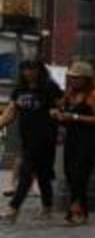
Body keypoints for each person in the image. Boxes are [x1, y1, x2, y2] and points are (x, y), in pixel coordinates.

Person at [0, 60, 62, 223]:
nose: (28, 73)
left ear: (39, 70)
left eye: (31, 69)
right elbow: (10, 112)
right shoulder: (20, 90)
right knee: (43, 174)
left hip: (46, 136)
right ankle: (47, 208)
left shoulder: (49, 87)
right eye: (24, 69)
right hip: (27, 137)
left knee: (26, 172)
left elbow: (61, 107)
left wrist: (58, 113)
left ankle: (13, 208)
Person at [55, 61, 95, 226]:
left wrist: (75, 117)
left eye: (77, 78)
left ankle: (75, 212)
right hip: (72, 138)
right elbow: (62, 108)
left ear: (86, 79)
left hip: (88, 140)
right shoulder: (70, 93)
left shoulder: (94, 95)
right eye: (72, 77)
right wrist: (59, 113)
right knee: (70, 174)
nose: (74, 81)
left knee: (80, 175)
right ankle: (82, 211)